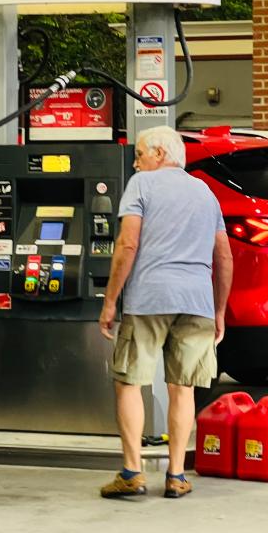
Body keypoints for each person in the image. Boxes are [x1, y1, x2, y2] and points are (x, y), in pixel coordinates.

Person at [98, 126, 234, 499]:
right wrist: (219, 310)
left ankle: (132, 473)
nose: (137, 162)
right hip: (196, 303)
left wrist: (110, 301)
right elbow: (223, 256)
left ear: (159, 153)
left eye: (140, 154)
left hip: (149, 300)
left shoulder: (142, 186)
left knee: (129, 382)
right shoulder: (205, 192)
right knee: (183, 388)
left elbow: (128, 244)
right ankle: (176, 475)